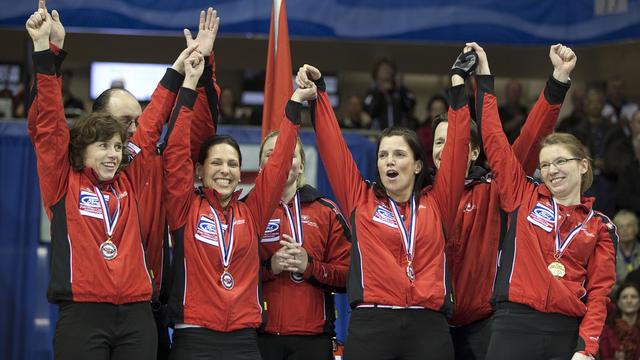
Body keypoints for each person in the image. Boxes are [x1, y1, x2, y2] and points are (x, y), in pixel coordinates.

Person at [25, 3, 196, 357]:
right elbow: (49, 126)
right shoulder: (62, 182)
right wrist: (46, 51)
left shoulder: (125, 177)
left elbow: (147, 130)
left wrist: (175, 73)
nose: (113, 154)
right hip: (84, 313)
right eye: (104, 146)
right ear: (83, 147)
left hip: (136, 314)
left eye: (118, 147)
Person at [297, 50, 473, 359]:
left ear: (418, 165)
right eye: (383, 155)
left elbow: (458, 150)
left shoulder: (439, 202)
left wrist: (458, 87)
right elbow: (335, 150)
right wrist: (319, 96)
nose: (389, 161)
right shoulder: (360, 199)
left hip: (428, 326)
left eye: (399, 154)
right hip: (372, 324)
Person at [474, 41, 617, 360]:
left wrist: (587, 348)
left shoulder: (600, 226)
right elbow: (495, 140)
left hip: (565, 334)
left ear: (583, 165)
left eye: (560, 162)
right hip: (513, 326)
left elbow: (598, 295)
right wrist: (484, 77)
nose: (551, 170)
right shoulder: (521, 195)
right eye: (546, 164)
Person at [163, 60, 313, 359]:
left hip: (243, 340)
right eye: (216, 163)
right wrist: (189, 86)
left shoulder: (252, 212)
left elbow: (279, 162)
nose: (225, 170)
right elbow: (175, 151)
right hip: (194, 335)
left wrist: (295, 103)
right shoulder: (183, 206)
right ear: (199, 170)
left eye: (232, 164)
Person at [437, 43, 575, 360]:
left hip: (485, 326)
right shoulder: (421, 197)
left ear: (473, 151)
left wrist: (557, 82)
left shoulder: (496, 188)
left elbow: (530, 138)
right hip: (431, 324)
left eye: (453, 140)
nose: (444, 149)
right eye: (438, 142)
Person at [256, 132, 351, 360]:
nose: (280, 159)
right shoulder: (247, 211)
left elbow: (350, 275)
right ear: (261, 166)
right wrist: (270, 267)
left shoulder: (326, 212)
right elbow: (229, 273)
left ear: (301, 167)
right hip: (259, 336)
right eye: (272, 154)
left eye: (290, 154)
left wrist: (310, 266)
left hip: (313, 339)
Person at [362, 57, 416, 130]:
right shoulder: (372, 93)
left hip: (399, 132)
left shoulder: (400, 91)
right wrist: (380, 92)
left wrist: (400, 89)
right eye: (384, 68)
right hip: (377, 133)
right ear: (376, 73)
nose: (387, 71)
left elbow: (410, 106)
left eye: (390, 68)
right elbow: (369, 111)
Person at [599, 283, 640, 360]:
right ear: (618, 302)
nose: (629, 300)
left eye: (634, 297)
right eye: (624, 297)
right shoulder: (607, 332)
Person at [614, 210, 640, 286]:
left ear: (636, 229)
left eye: (629, 226)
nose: (625, 230)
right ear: (616, 231)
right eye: (621, 226)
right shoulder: (609, 254)